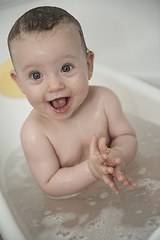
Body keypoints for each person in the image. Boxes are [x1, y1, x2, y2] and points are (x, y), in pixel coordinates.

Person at [8, 6, 138, 198]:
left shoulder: (104, 100)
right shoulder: (34, 133)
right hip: (76, 206)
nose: (54, 85)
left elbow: (128, 136)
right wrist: (91, 170)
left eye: (66, 68)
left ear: (88, 65)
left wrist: (119, 155)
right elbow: (49, 183)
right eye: (36, 75)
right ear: (19, 83)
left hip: (120, 183)